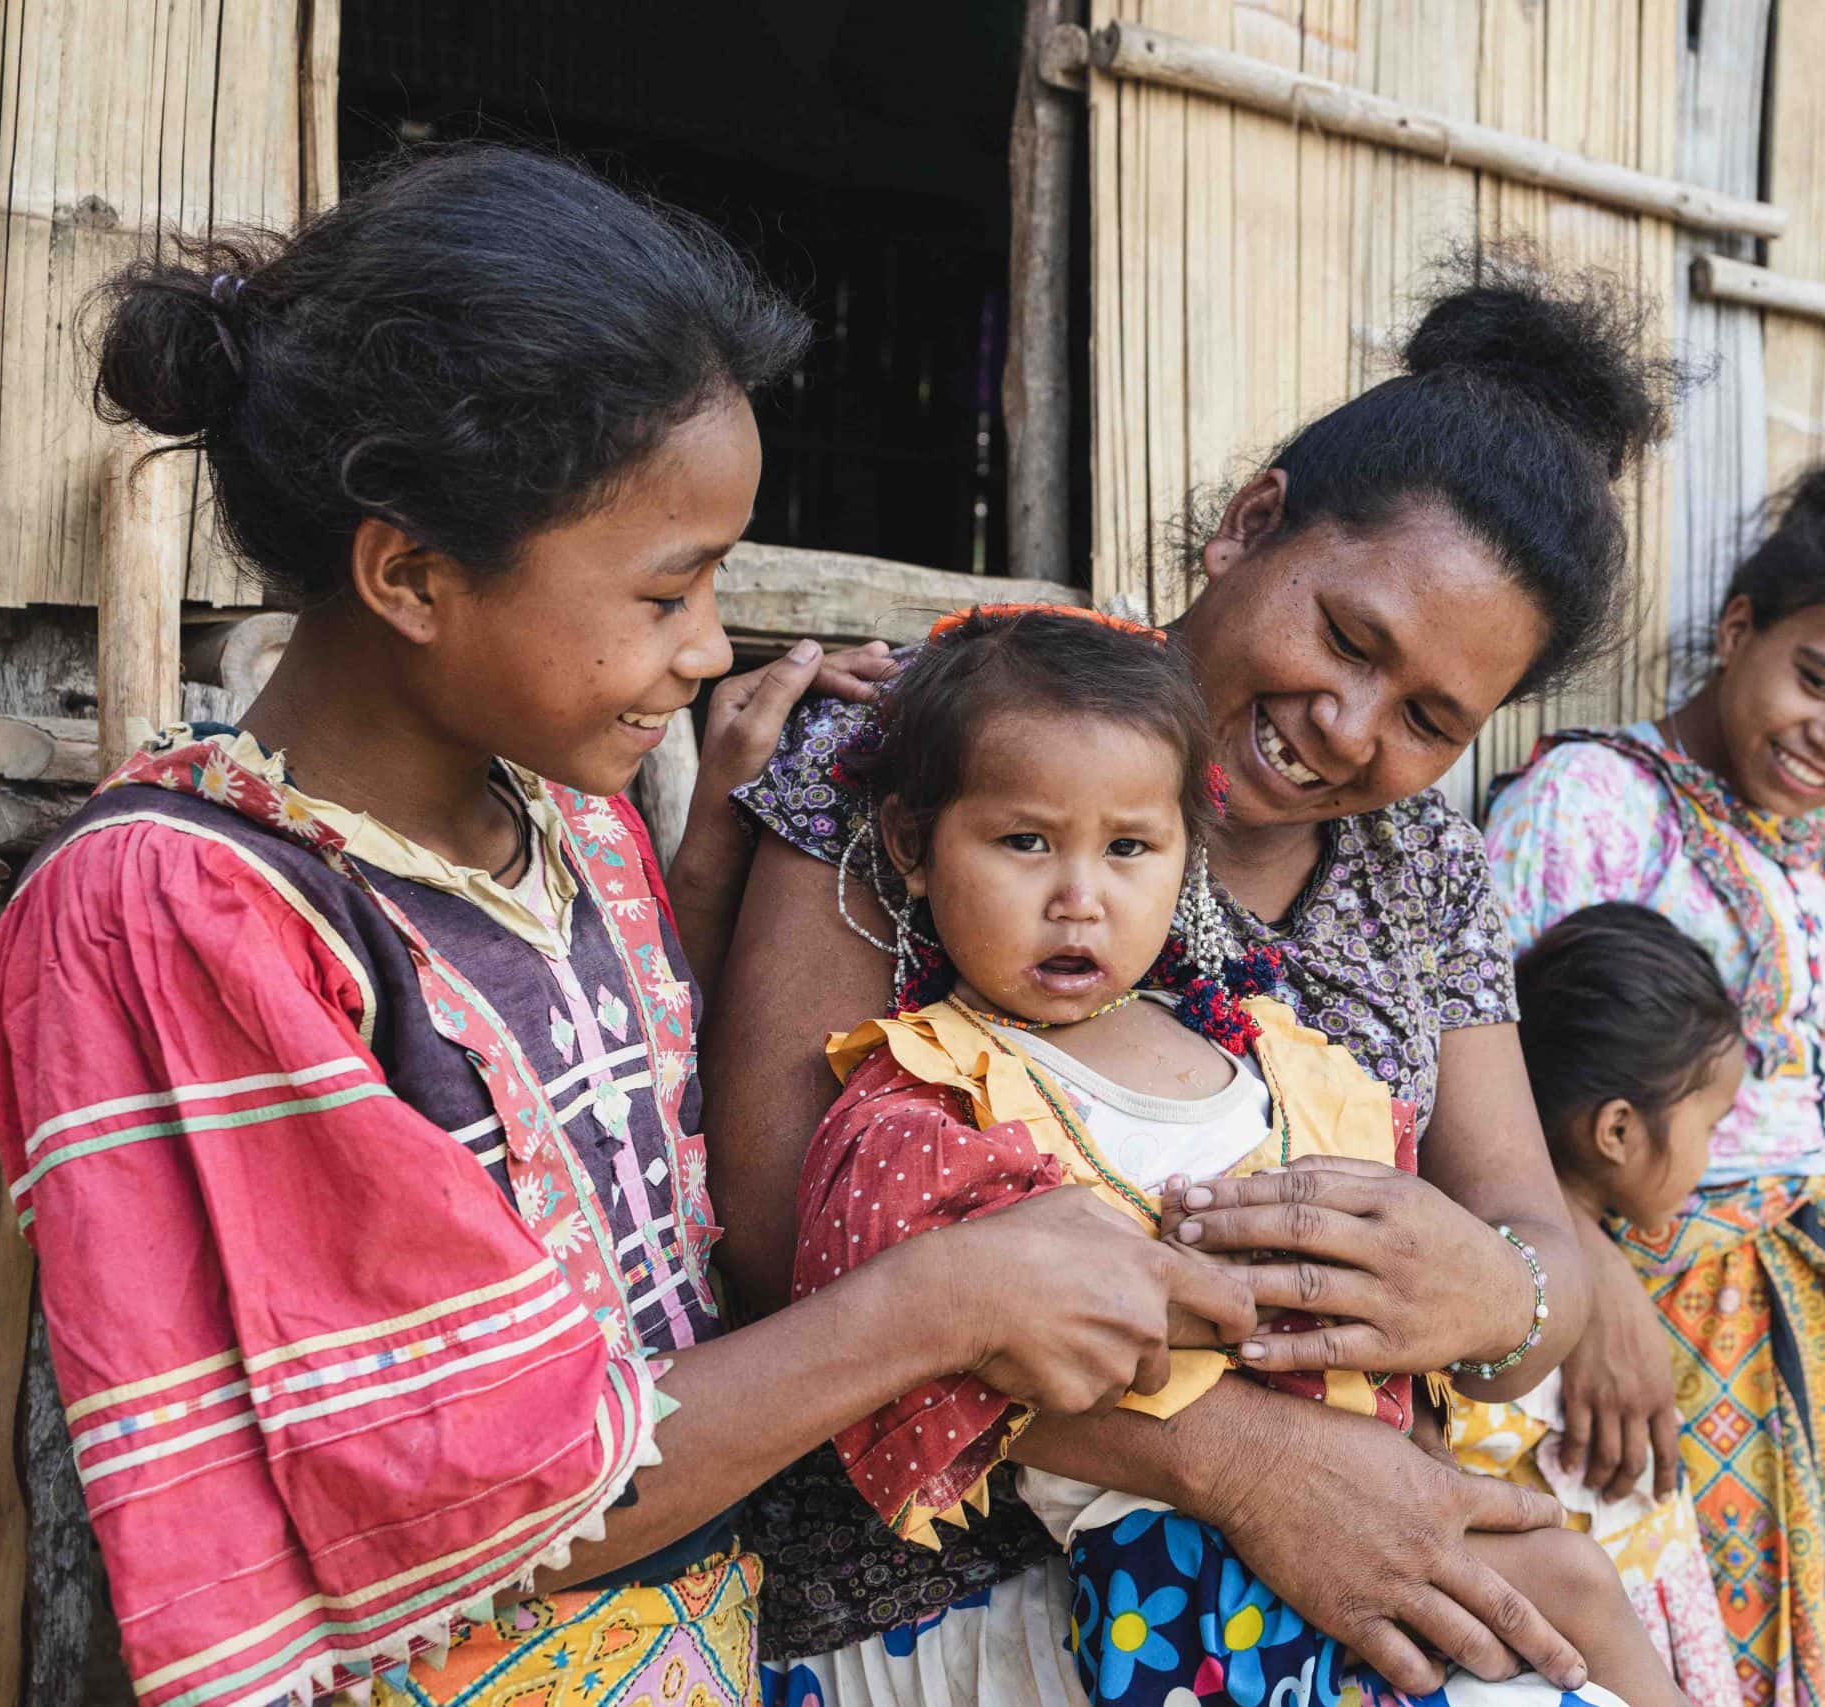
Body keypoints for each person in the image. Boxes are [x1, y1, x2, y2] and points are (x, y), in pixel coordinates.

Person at [0, 146, 1263, 1707]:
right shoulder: (182, 909)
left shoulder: (570, 823)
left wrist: (711, 856)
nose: (709, 646)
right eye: (669, 593)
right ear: (412, 572)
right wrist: (947, 1294)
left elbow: (635, 1215)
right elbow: (472, 1496)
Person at [712, 253, 1684, 1704]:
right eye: (1348, 636)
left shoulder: (1421, 864)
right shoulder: (936, 749)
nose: (1347, 727)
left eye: (1429, 715)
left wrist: (1491, 1292)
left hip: (1341, 1578)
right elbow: (778, 1238)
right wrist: (1243, 1457)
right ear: (1250, 525)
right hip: (937, 1596)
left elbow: (1524, 1243)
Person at [794, 604, 1676, 1707]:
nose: (1080, 897)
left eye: (1129, 848)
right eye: (1025, 842)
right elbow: (906, 1331)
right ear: (913, 848)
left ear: (1184, 860)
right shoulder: (930, 1097)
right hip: (1161, 1559)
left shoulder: (1257, 1051)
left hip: (1356, 1502)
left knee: (1571, 1574)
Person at [1486, 437, 1825, 1707]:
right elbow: (1492, 1078)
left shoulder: (1810, 842)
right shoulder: (1593, 800)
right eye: (1814, 682)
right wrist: (1600, 1299)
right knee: (1670, 1643)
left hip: (1813, 1318)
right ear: (1738, 627)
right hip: (1649, 1316)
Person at [1444, 903, 1752, 1707]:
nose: (1715, 1154)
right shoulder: (1511, 1326)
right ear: (1617, 1129)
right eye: (1710, 1125)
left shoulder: (1573, 1257)